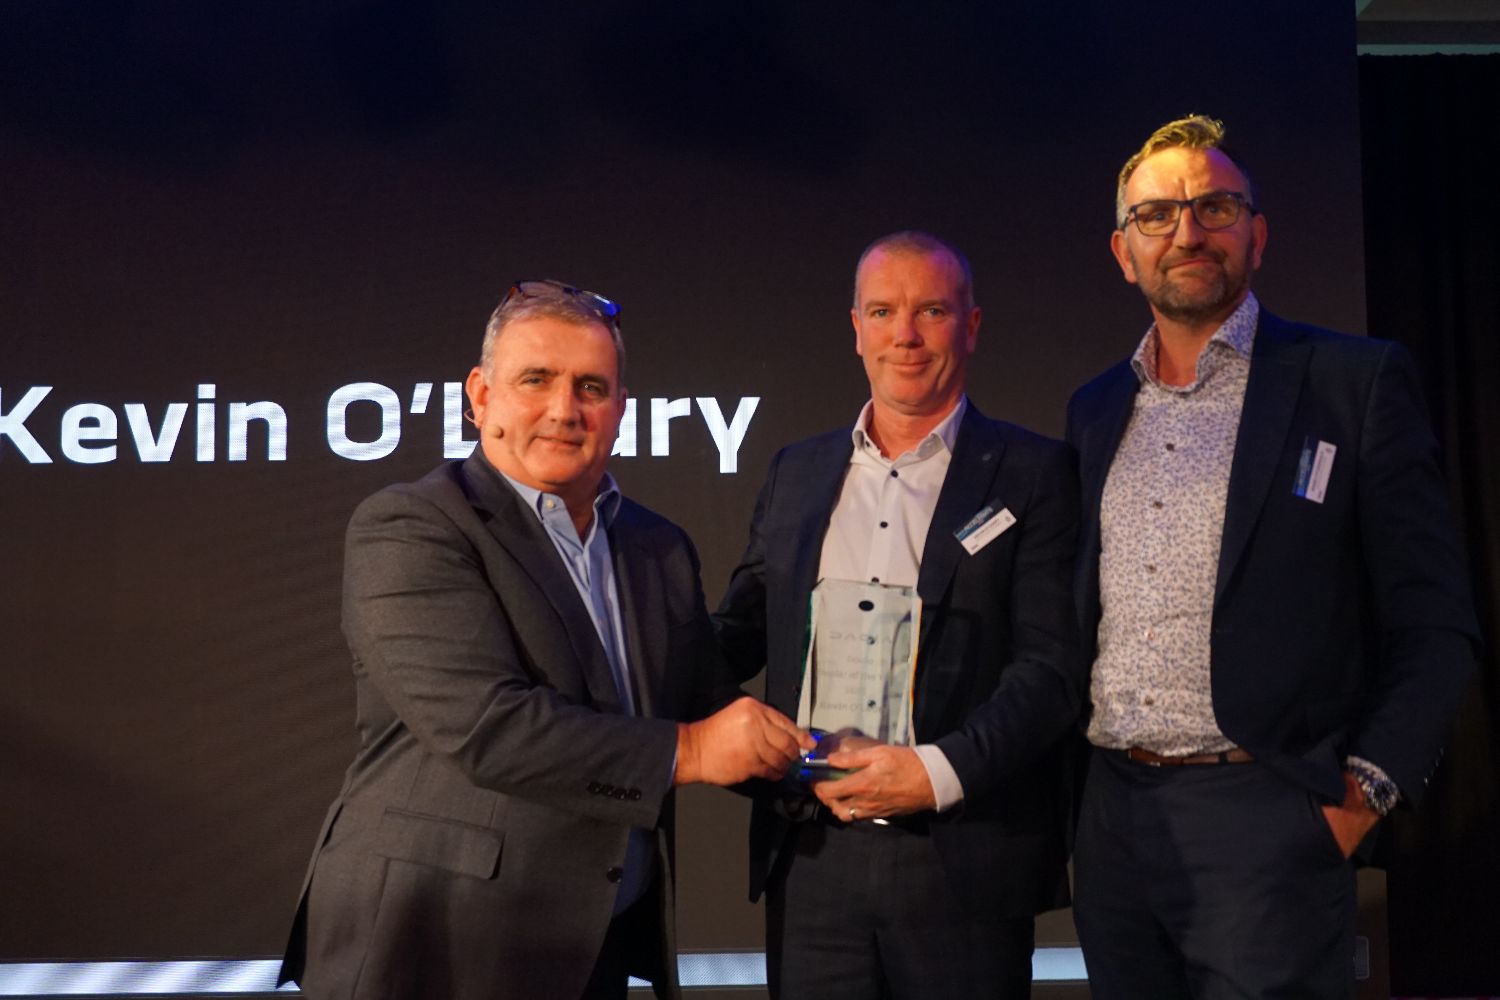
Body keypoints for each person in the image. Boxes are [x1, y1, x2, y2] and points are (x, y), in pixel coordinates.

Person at [278, 279, 812, 1000]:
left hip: (592, 943)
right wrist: (689, 751)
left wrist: (832, 766)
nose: (565, 409)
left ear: (620, 409)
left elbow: (708, 704)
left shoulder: (657, 546)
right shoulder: (411, 526)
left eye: (591, 387)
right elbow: (489, 727)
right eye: (536, 380)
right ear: (480, 396)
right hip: (436, 946)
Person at [1066, 115, 1479, 997]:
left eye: (1214, 207)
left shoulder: (1352, 381)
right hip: (1113, 822)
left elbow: (1434, 623)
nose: (1187, 232)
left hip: (1268, 817)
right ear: (1123, 252)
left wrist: (1360, 798)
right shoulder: (1096, 408)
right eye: (1156, 215)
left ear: (1257, 233)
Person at [714, 232, 1083, 999]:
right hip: (812, 857)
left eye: (931, 311)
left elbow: (1050, 670)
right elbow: (738, 635)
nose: (905, 335)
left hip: (961, 859)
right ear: (856, 329)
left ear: (970, 326)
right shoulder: (797, 471)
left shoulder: (1034, 473)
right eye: (883, 312)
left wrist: (932, 773)